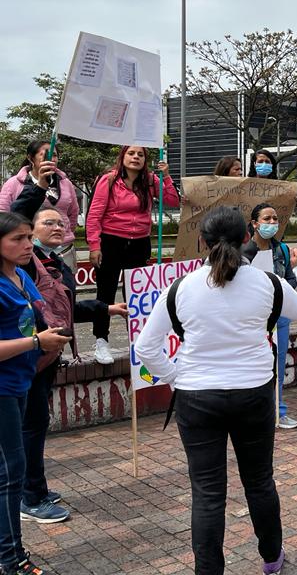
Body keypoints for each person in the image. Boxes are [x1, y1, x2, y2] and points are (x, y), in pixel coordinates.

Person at [136, 207, 297, 575]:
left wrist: (178, 378)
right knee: (260, 482)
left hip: (196, 398)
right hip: (253, 393)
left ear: (201, 241)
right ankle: (271, 558)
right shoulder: (268, 283)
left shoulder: (181, 287)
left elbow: (145, 349)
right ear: (245, 238)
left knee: (207, 493)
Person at [19, 207, 127, 524]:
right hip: (31, 357)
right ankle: (31, 497)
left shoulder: (54, 262)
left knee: (36, 426)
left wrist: (105, 308)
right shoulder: (27, 264)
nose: (57, 227)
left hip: (49, 355)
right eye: (47, 222)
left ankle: (34, 488)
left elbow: (66, 309)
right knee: (30, 427)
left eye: (61, 222)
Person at [0, 211, 71, 575]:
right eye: (18, 239)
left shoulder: (23, 276)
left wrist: (102, 308)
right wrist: (34, 342)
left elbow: (44, 318)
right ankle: (11, 559)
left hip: (21, 383)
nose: (27, 245)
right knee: (10, 474)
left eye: (29, 237)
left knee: (11, 470)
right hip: (2, 389)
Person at [85, 145, 179, 365]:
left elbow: (173, 201)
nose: (135, 157)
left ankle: (137, 340)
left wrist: (165, 177)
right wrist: (94, 245)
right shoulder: (109, 180)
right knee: (105, 293)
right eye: (131, 153)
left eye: (140, 154)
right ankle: (101, 340)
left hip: (139, 243)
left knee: (137, 295)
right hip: (111, 242)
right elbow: (94, 215)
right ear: (122, 156)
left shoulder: (150, 180)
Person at [241, 203, 297, 429]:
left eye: (275, 219)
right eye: (267, 219)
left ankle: (278, 410)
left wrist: (284, 287)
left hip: (279, 316)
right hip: (252, 319)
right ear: (255, 224)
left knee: (278, 363)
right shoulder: (243, 250)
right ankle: (253, 412)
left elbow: (292, 280)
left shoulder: (282, 250)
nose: (272, 223)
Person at [0, 140, 80, 271]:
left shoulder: (66, 183)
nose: (51, 159)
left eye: (54, 155)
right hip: (30, 251)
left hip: (64, 249)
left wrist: (62, 233)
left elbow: (73, 214)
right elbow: (4, 216)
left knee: (65, 288)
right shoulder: (14, 183)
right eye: (45, 155)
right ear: (30, 158)